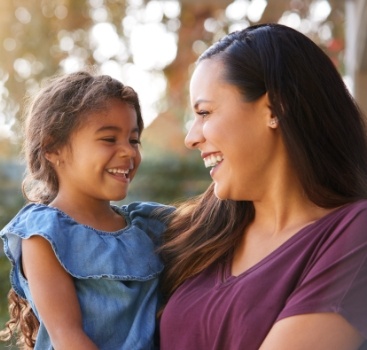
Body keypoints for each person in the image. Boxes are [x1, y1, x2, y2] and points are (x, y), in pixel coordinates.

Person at [159, 23, 367, 350]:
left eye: (204, 112)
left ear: (275, 107)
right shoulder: (197, 231)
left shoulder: (354, 234)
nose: (191, 137)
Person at [0, 71, 172, 349]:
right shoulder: (44, 235)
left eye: (133, 140)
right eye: (109, 139)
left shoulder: (149, 225)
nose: (128, 152)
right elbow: (68, 336)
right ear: (53, 148)